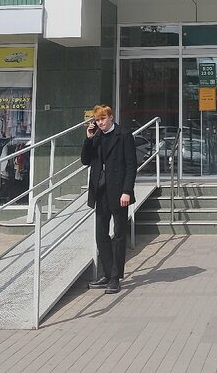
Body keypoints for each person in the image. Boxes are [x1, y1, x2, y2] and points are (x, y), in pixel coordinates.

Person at [81, 104, 137, 295]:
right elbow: (85, 160)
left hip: (119, 191)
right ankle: (106, 273)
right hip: (100, 191)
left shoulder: (124, 135)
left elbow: (131, 165)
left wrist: (127, 191)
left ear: (111, 117)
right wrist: (88, 139)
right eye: (97, 120)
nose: (100, 123)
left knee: (119, 235)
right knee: (101, 234)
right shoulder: (96, 136)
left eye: (103, 119)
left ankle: (115, 277)